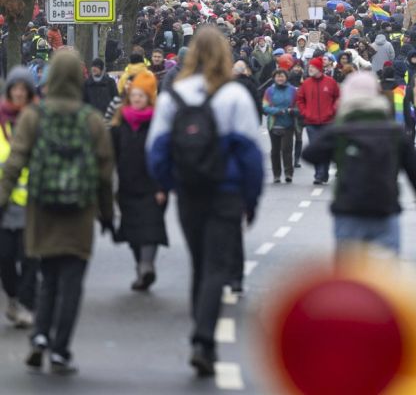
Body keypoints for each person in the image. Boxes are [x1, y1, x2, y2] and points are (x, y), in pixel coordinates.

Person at [146, 27, 264, 377]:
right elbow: (251, 154)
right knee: (216, 267)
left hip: (189, 191)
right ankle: (203, 339)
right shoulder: (234, 96)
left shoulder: (173, 95)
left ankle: (201, 333)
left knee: (199, 264)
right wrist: (251, 199)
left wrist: (170, 183)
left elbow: (156, 150)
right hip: (225, 192)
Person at [0, 51, 114, 375]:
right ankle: (60, 349)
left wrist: (2, 200)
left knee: (48, 277)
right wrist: (107, 215)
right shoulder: (91, 120)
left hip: (41, 210)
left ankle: (39, 336)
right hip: (79, 213)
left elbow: (15, 162)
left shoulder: (34, 116)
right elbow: (104, 174)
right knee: (72, 283)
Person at [301, 72, 416, 253]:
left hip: (349, 209)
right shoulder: (394, 132)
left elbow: (310, 154)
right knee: (385, 266)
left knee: (350, 268)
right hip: (385, 207)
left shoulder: (341, 130)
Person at [110, 70, 168, 292]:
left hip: (152, 186)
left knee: (151, 227)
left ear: (148, 98)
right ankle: (141, 268)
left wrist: (162, 186)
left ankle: (147, 265)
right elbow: (110, 156)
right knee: (133, 231)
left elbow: (164, 156)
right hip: (127, 187)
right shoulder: (119, 123)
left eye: (141, 95)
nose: (136, 99)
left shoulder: (157, 123)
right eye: (134, 95)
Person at [0, 66, 38, 329]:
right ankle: (13, 298)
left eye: (24, 89)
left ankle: (26, 303)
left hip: (32, 203)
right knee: (4, 257)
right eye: (15, 88)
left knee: (29, 258)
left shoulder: (38, 119)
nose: (19, 93)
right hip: (4, 202)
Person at [296, 57, 339, 185]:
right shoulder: (306, 84)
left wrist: (332, 111)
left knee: (325, 148)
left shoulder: (330, 82)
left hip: (328, 122)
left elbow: (338, 98)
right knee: (316, 148)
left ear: (319, 68)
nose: (310, 69)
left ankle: (323, 173)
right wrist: (305, 112)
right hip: (311, 123)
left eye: (313, 67)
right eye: (309, 67)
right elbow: (300, 99)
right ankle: (319, 174)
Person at [263, 69, 297, 184]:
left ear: (286, 77)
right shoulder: (269, 91)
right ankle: (276, 175)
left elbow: (298, 105)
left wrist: (292, 111)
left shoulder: (293, 90)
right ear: (274, 78)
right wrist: (277, 111)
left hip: (288, 124)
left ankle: (288, 174)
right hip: (274, 124)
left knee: (287, 149)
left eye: (282, 76)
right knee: (275, 151)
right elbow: (265, 107)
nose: (280, 78)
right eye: (277, 76)